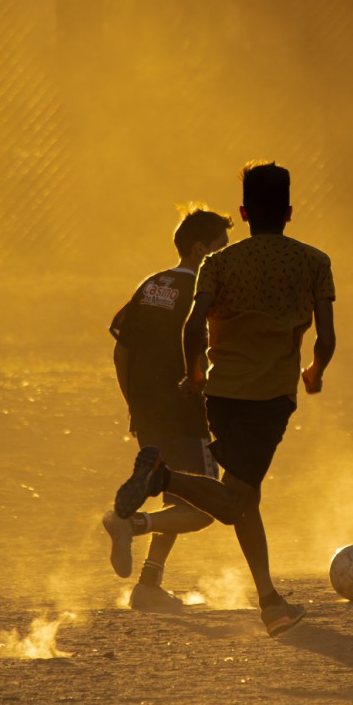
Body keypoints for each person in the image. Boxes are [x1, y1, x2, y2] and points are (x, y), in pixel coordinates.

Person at [108, 160, 336, 638]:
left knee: (237, 497)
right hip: (237, 400)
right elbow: (322, 336)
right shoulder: (296, 265)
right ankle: (149, 498)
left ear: (245, 211)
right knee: (223, 504)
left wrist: (164, 389)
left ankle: (253, 600)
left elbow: (146, 340)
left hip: (186, 400)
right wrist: (311, 372)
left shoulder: (181, 275)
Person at [102, 206, 233, 609]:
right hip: (187, 414)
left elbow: (120, 352)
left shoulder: (150, 285)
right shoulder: (204, 294)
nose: (227, 261)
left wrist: (134, 404)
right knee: (204, 507)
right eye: (221, 251)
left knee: (176, 495)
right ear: (200, 250)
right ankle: (129, 523)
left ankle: (147, 586)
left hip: (147, 412)